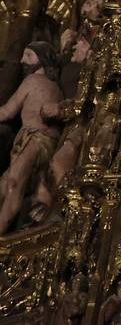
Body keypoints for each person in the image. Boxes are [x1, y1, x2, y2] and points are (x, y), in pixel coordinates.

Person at [0, 42, 63, 233]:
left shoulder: (32, 81)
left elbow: (7, 112)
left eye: (28, 56)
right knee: (5, 184)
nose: (22, 61)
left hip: (36, 140)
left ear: (41, 59)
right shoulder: (58, 89)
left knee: (13, 184)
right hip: (46, 145)